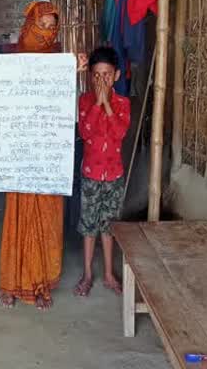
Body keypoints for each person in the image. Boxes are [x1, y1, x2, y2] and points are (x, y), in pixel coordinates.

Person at [0, 1, 87, 310]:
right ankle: (12, 283)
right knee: (17, 220)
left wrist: (76, 72)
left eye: (51, 27)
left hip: (47, 157)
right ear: (28, 25)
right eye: (40, 25)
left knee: (48, 221)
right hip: (18, 157)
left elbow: (68, 109)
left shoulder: (60, 64)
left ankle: (42, 283)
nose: (46, 33)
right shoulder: (9, 61)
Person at [73, 47, 130, 297]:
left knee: (108, 226)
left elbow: (120, 133)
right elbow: (85, 132)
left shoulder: (123, 103)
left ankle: (108, 273)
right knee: (89, 226)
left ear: (116, 75)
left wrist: (107, 103)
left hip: (114, 174)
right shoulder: (84, 101)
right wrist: (98, 103)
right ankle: (87, 274)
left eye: (106, 75)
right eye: (96, 75)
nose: (102, 80)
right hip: (91, 174)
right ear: (90, 77)